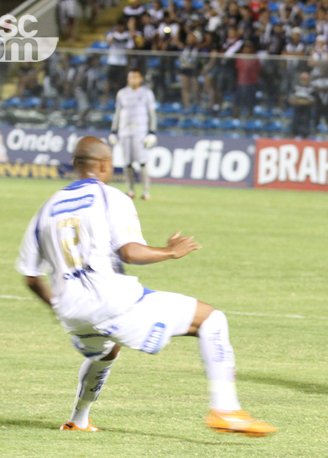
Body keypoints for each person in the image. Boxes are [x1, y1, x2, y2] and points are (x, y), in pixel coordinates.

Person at [16, 136, 276, 437]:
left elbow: (31, 277)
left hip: (72, 312)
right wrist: (170, 251)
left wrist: (58, 308)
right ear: (105, 164)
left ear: (75, 164)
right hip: (111, 302)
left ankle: (79, 419)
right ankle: (227, 411)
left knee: (105, 352)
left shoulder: (45, 210)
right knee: (212, 320)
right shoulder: (111, 197)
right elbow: (130, 252)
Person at [109, 68, 157, 201]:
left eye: (136, 77)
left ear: (140, 79)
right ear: (128, 79)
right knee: (127, 163)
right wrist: (114, 131)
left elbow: (152, 114)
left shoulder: (146, 93)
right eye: (131, 77)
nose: (133, 80)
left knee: (142, 162)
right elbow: (118, 113)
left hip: (140, 133)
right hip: (124, 132)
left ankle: (146, 192)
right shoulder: (122, 93)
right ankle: (130, 190)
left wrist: (152, 132)